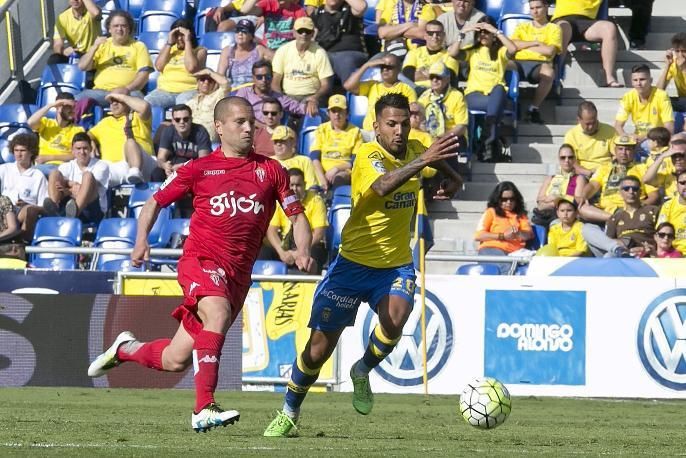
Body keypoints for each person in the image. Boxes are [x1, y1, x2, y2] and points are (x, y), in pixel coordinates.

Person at [88, 96, 315, 433]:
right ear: (219, 128)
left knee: (175, 359)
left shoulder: (271, 171)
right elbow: (153, 202)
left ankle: (126, 349)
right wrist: (141, 240)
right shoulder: (199, 168)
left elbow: (297, 216)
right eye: (240, 121)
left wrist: (302, 249)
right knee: (218, 313)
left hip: (237, 275)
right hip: (201, 261)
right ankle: (203, 407)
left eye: (251, 121)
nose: (249, 127)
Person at [263, 93, 462, 437]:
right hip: (352, 264)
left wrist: (450, 178)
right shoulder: (368, 154)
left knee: (396, 319)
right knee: (317, 352)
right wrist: (426, 160)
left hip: (396, 264)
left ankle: (361, 369)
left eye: (403, 123)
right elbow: (384, 185)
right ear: (376, 127)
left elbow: (437, 167)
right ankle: (289, 411)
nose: (399, 131)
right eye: (391, 124)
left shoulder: (416, 149)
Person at [457, 17, 517, 162]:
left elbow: (513, 49)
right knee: (496, 107)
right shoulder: (472, 52)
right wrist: (462, 34)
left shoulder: (500, 52)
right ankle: (488, 142)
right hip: (474, 96)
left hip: (496, 94)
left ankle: (485, 141)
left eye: (487, 32)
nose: (483, 35)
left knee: (499, 89)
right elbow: (452, 53)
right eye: (481, 32)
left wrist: (496, 31)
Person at [76, 10, 153, 107]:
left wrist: (127, 89)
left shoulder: (139, 46)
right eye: (116, 26)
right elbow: (82, 67)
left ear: (129, 29)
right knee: (75, 101)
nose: (119, 29)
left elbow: (144, 76)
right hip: (101, 92)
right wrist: (93, 48)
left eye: (123, 26)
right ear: (109, 29)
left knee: (140, 103)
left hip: (129, 92)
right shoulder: (102, 45)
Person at [579, 136, 659, 223]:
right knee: (582, 208)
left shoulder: (642, 168)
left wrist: (640, 205)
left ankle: (619, 218)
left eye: (627, 149)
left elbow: (653, 195)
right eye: (620, 149)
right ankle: (616, 218)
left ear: (634, 151)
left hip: (632, 209)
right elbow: (593, 185)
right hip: (605, 211)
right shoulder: (604, 168)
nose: (623, 153)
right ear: (615, 150)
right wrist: (584, 195)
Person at [87, 89, 157, 186]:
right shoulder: (105, 122)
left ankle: (135, 171)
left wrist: (121, 96)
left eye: (118, 100)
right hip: (115, 168)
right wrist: (91, 141)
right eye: (111, 101)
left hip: (143, 164)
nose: (114, 104)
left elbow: (145, 107)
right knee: (91, 178)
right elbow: (86, 136)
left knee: (130, 143)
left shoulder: (138, 116)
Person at [264, 168, 329, 273]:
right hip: (285, 244)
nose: (294, 189)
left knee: (316, 253)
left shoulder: (316, 200)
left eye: (298, 185)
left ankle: (311, 287)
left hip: (309, 244)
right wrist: (281, 252)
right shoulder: (280, 200)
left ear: (305, 184)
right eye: (291, 185)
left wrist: (301, 251)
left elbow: (318, 233)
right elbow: (271, 231)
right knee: (264, 252)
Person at [509, 0, 561, 124]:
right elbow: (512, 45)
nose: (535, 11)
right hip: (518, 62)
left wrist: (524, 46)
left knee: (548, 73)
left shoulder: (554, 28)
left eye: (538, 7)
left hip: (540, 64)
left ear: (546, 7)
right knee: (501, 65)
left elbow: (549, 51)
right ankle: (507, 103)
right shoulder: (522, 26)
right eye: (532, 8)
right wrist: (535, 43)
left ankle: (533, 108)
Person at [582, 175, 658, 258]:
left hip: (645, 252)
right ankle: (618, 249)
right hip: (622, 251)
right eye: (626, 189)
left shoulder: (652, 210)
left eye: (635, 189)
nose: (631, 191)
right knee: (587, 228)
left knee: (609, 257)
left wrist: (649, 248)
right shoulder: (615, 217)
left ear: (640, 192)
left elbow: (664, 234)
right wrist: (619, 246)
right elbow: (607, 241)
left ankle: (618, 251)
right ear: (620, 192)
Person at [344, 53, 416, 139]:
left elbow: (411, 115)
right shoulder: (373, 85)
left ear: (398, 69)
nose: (385, 69)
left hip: (391, 134)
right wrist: (366, 65)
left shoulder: (406, 89)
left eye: (389, 67)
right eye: (382, 67)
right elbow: (348, 86)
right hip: (369, 133)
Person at [271, 17, 334, 115]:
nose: (304, 34)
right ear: (294, 32)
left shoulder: (320, 53)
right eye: (300, 31)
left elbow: (326, 84)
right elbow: (275, 82)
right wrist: (282, 100)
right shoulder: (283, 50)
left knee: (311, 113)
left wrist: (314, 98)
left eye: (307, 31)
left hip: (311, 95)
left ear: (313, 33)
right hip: (288, 96)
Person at [551, 0, 621, 88]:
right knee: (563, 28)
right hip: (562, 19)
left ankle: (609, 77)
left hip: (587, 22)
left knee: (609, 28)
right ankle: (555, 77)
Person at [42, 132, 109, 223]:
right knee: (54, 173)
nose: (82, 152)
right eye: (78, 149)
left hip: (92, 209)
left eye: (85, 148)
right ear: (72, 150)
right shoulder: (67, 166)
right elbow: (62, 183)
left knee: (87, 175)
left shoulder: (101, 165)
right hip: (67, 204)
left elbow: (90, 187)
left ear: (90, 149)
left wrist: (67, 189)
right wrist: (71, 187)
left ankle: (74, 214)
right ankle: (54, 208)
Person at [144, 19, 207, 109]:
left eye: (182, 35)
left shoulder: (200, 51)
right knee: (145, 103)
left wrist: (188, 42)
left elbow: (191, 68)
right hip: (165, 90)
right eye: (176, 35)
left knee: (182, 106)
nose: (179, 38)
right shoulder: (169, 49)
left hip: (189, 90)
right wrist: (169, 43)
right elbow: (158, 66)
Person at [614, 64, 674, 157]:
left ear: (650, 80)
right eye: (635, 80)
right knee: (620, 148)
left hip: (657, 139)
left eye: (642, 79)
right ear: (631, 82)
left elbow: (669, 128)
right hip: (637, 139)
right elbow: (618, 125)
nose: (638, 83)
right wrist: (626, 137)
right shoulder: (628, 97)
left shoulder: (662, 96)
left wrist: (643, 137)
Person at [474, 181, 534, 273]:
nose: (508, 202)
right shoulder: (491, 212)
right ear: (498, 199)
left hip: (514, 253)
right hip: (492, 249)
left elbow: (529, 235)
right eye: (504, 199)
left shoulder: (521, 215)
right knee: (506, 267)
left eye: (512, 199)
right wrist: (503, 236)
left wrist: (517, 233)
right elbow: (478, 236)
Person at [0, 133, 48, 242]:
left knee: (30, 210)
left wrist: (27, 205)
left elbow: (43, 206)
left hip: (24, 212)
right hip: (5, 211)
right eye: (16, 150)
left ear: (31, 152)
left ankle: (22, 241)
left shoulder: (38, 175)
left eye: (22, 150)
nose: (18, 154)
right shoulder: (4, 169)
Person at [310, 94, 362, 193]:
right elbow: (314, 157)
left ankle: (334, 201)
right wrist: (322, 179)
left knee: (339, 178)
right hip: (322, 171)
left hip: (343, 171)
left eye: (340, 111)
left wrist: (336, 168)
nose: (337, 115)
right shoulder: (322, 129)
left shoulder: (355, 131)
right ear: (328, 113)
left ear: (347, 113)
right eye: (333, 111)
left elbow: (355, 161)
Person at [234, 60, 307, 126]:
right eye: (259, 77)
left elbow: (302, 108)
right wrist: (261, 126)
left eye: (267, 76)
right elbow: (235, 113)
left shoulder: (280, 98)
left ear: (272, 77)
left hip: (271, 136)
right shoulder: (244, 93)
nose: (264, 80)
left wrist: (312, 102)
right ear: (253, 78)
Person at [27, 92, 85, 174]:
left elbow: (76, 155)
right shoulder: (47, 123)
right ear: (58, 108)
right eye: (68, 107)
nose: (72, 110)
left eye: (74, 107)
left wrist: (49, 157)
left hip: (64, 168)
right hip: (43, 166)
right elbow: (30, 122)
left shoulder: (78, 129)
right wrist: (51, 105)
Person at [151, 105, 212, 183]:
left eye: (186, 119)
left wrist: (185, 167)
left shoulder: (200, 131)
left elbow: (203, 161)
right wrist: (165, 166)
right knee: (156, 173)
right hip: (173, 168)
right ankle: (159, 194)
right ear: (172, 121)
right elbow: (160, 158)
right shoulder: (168, 131)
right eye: (177, 119)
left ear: (191, 119)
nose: (182, 122)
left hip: (194, 168)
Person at [312, 0, 368, 84]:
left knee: (345, 60)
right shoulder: (317, 13)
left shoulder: (350, 9)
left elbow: (362, 7)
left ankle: (348, 93)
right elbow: (312, 37)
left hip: (349, 53)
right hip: (326, 53)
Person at [534, 144, 586, 228]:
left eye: (570, 157)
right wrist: (555, 203)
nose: (566, 160)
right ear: (559, 159)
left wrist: (557, 198)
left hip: (566, 216)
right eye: (563, 157)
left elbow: (577, 200)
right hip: (545, 214)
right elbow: (539, 201)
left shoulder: (579, 179)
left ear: (574, 159)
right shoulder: (550, 178)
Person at [417, 62, 467, 142]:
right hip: (429, 139)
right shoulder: (424, 97)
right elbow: (417, 121)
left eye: (438, 77)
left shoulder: (457, 96)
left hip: (453, 138)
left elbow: (461, 127)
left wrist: (442, 139)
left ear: (447, 79)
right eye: (432, 77)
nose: (434, 80)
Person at [402, 20, 460, 89]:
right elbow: (407, 76)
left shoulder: (450, 55)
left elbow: (448, 78)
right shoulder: (414, 53)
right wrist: (436, 73)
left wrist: (422, 73)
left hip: (437, 92)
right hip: (415, 90)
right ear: (425, 35)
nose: (434, 36)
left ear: (443, 35)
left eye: (438, 33)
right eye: (431, 33)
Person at [563, 101, 616, 176]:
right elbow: (571, 161)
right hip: (582, 174)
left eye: (593, 122)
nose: (591, 127)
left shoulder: (610, 131)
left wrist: (609, 169)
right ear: (579, 120)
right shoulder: (571, 135)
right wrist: (588, 172)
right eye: (587, 124)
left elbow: (616, 155)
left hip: (606, 172)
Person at [217, 19, 272, 88]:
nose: (240, 33)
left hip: (254, 91)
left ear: (251, 36)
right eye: (238, 30)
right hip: (234, 92)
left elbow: (276, 61)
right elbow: (220, 75)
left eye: (244, 31)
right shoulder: (227, 51)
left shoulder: (259, 49)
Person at [240, 0, 307, 51]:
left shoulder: (299, 11)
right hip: (267, 49)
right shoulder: (269, 4)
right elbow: (244, 10)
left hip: (287, 51)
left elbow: (304, 34)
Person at [186, 68, 231, 144]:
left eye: (210, 80)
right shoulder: (190, 101)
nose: (206, 83)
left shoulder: (218, 97)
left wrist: (209, 72)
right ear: (198, 82)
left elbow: (225, 83)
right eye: (203, 79)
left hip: (209, 141)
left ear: (214, 83)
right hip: (191, 139)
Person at [50, 0, 101, 64]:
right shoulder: (62, 17)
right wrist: (64, 51)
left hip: (94, 54)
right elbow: (57, 44)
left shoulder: (91, 11)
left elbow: (96, 14)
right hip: (76, 54)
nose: (75, 0)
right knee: (54, 59)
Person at [656, 33, 686, 131]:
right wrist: (667, 66)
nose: (680, 55)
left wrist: (682, 68)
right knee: (661, 99)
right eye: (677, 51)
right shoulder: (674, 64)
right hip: (683, 101)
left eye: (684, 51)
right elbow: (659, 90)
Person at [657, 169, 686, 255]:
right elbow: (661, 234)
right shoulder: (668, 206)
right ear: (677, 185)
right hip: (673, 255)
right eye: (682, 183)